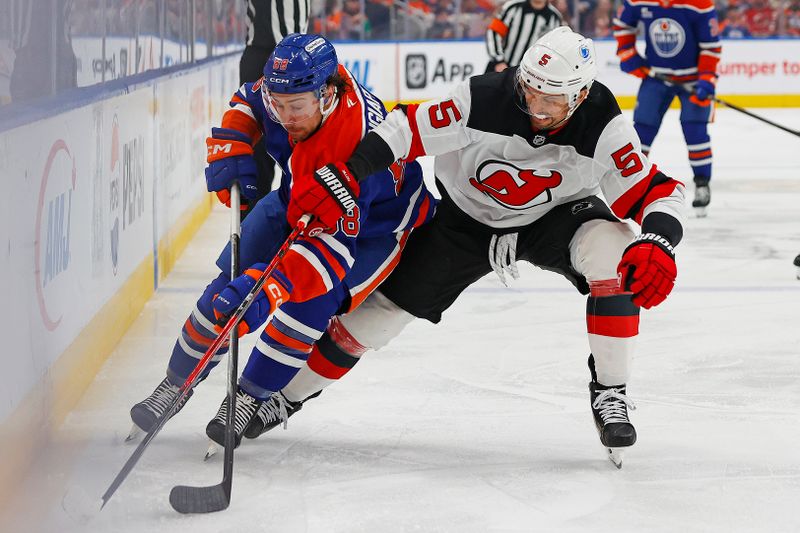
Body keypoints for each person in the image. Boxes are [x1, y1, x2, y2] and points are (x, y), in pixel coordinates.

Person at [258, 27, 686, 466]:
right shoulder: (484, 96)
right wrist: (351, 172)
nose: (536, 107)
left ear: (580, 95)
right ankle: (287, 397)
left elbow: (658, 191)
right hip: (465, 220)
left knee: (615, 251)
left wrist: (658, 240)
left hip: (555, 217)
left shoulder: (603, 121)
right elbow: (406, 128)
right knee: (378, 317)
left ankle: (610, 389)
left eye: (551, 100)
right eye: (530, 91)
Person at [128, 34, 435, 448]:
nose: (285, 117)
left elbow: (328, 254)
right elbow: (248, 100)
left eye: (297, 107)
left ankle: (248, 397)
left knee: (308, 305)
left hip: (370, 227)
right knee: (226, 288)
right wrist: (236, 138)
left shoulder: (353, 144)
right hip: (298, 198)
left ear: (327, 95)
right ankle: (177, 383)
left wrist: (269, 288)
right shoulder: (293, 86)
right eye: (279, 105)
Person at [613, 0, 721, 216]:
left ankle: (702, 183)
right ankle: (631, 183)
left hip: (691, 79)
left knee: (695, 131)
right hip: (656, 77)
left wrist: (707, 80)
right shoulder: (638, 1)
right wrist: (627, 53)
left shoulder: (698, 4)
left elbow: (711, 47)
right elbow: (622, 23)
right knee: (642, 130)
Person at [240, 0, 311, 214]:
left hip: (301, 54)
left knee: (307, 143)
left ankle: (305, 218)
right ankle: (252, 225)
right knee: (257, 149)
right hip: (263, 53)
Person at [485, 0, 563, 73]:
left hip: (529, 75)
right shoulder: (512, 7)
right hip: (500, 67)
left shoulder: (555, 18)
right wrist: (498, 61)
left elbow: (554, 49)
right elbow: (494, 32)